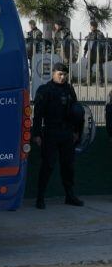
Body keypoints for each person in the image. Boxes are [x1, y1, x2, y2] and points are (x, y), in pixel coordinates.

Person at [31, 63, 84, 209]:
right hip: (51, 132)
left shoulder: (69, 89)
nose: (63, 77)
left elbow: (76, 111)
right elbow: (38, 115)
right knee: (47, 165)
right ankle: (40, 198)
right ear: (53, 73)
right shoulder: (45, 90)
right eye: (60, 74)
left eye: (65, 74)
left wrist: (76, 132)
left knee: (68, 166)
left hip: (67, 133)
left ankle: (70, 195)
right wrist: (36, 134)